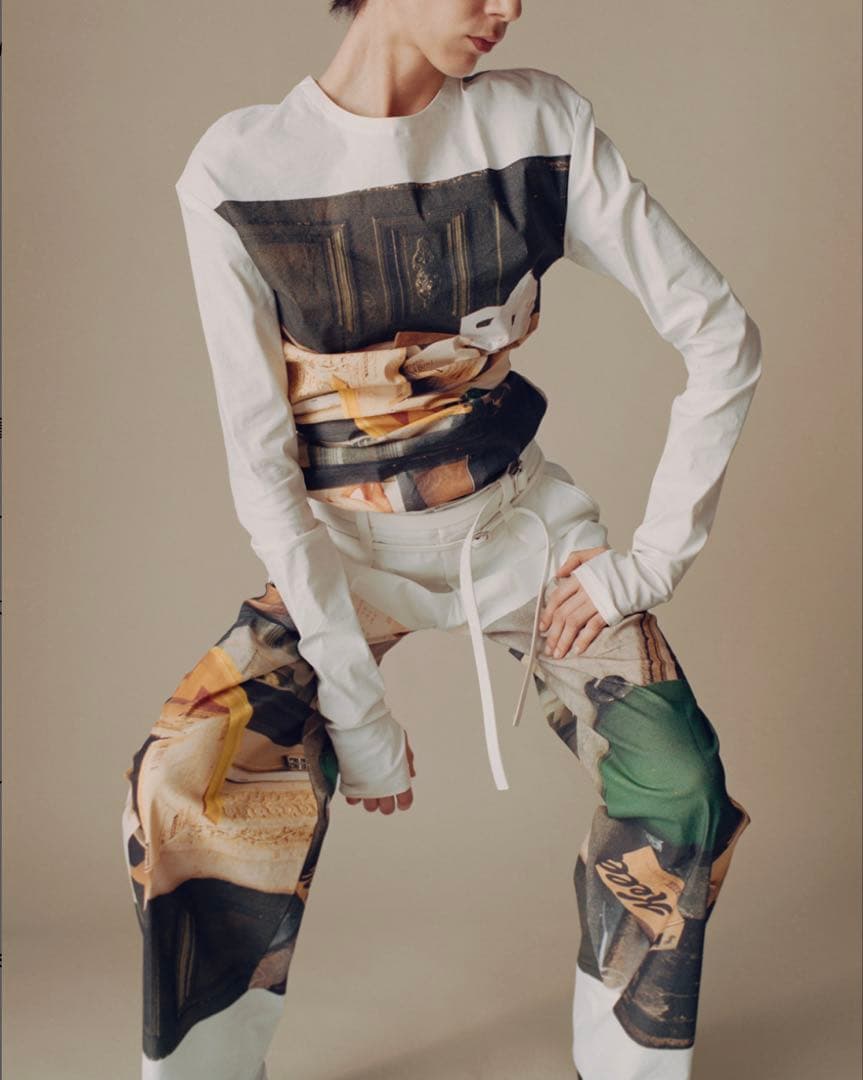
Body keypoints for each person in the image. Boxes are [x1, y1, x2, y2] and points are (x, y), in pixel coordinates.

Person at [120, 1, 762, 1077]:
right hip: (338, 558)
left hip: (519, 535)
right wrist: (356, 708)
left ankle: (627, 1066)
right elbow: (262, 466)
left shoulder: (537, 126)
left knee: (678, 778)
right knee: (179, 781)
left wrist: (648, 563)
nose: (505, 6)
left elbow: (720, 334)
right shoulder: (239, 167)